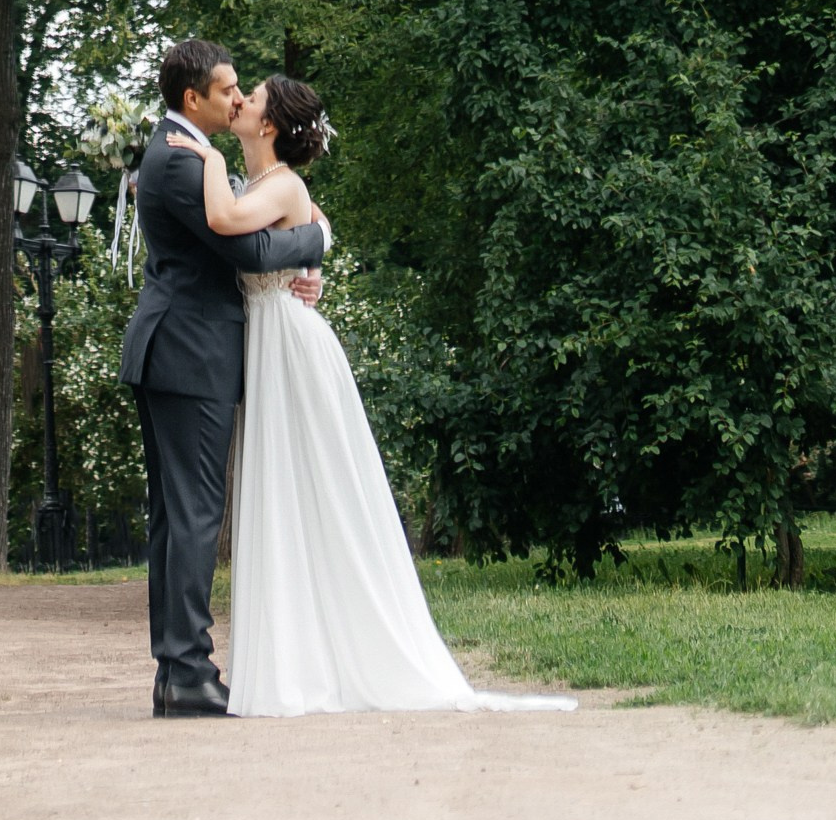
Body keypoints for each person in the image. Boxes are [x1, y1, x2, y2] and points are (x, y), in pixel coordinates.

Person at [173, 75, 570, 717]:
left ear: (268, 125)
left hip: (291, 347)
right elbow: (309, 224)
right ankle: (299, 652)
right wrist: (316, 253)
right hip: (266, 346)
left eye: (254, 96)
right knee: (283, 492)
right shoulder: (265, 184)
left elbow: (229, 220)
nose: (240, 99)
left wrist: (210, 160)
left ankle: (341, 650)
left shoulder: (276, 184)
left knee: (316, 489)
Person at [121, 37, 330, 717]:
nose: (238, 98)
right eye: (227, 89)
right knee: (193, 515)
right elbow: (250, 250)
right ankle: (187, 671)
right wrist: (317, 239)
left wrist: (310, 227)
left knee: (175, 516)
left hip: (175, 352)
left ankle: (174, 672)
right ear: (194, 98)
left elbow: (263, 217)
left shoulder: (179, 151)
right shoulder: (185, 161)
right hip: (190, 355)